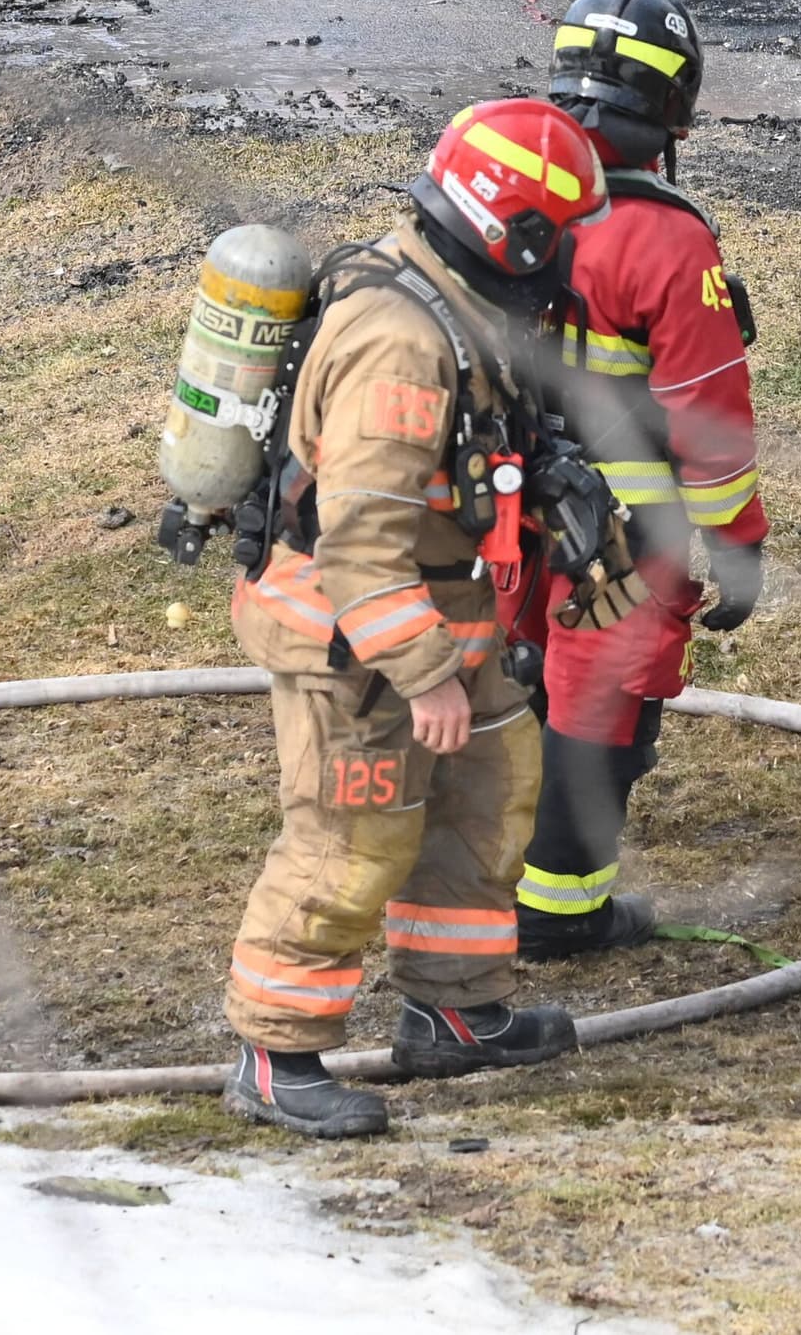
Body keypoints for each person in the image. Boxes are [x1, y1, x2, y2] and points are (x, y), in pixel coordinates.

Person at [220, 97, 613, 1138]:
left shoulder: (456, 306)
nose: (567, 259)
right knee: (354, 834)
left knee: (488, 795)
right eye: (560, 235)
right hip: (358, 639)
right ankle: (276, 1053)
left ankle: (454, 1011)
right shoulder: (401, 345)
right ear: (514, 232)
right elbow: (358, 541)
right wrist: (426, 670)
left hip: (441, 617)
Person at [516, 0, 769, 958]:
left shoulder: (507, 196)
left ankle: (479, 871)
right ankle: (560, 909)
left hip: (499, 498)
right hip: (622, 526)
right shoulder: (667, 238)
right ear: (674, 106)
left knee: (509, 675)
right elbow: (710, 424)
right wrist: (738, 546)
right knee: (601, 706)